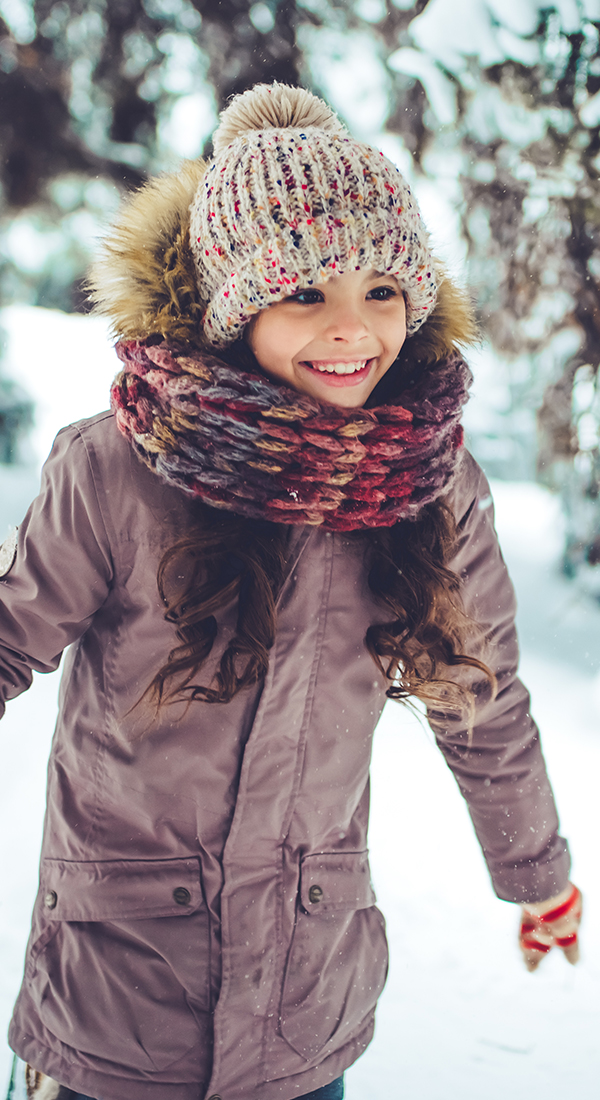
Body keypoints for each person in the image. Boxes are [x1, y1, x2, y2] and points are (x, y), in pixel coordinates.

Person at [1, 83, 582, 1100]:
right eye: (305, 294)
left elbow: (478, 697)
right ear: (232, 307)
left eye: (383, 291)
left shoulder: (437, 483)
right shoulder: (116, 469)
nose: (353, 330)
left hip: (304, 1010)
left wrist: (537, 872)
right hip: (113, 996)